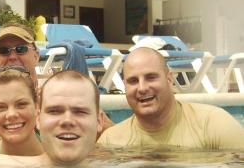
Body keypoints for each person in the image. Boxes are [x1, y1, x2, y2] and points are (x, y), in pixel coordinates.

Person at [0, 22, 113, 136]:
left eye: (21, 49)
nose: (12, 57)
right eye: (4, 51)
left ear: (36, 55)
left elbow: (107, 131)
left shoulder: (58, 90)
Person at [98, 47, 244, 149]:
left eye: (151, 77)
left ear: (169, 79)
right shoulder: (111, 141)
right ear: (125, 86)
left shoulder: (212, 125)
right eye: (133, 81)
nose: (142, 88)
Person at [0, 70, 103, 166]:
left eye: (80, 111)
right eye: (54, 111)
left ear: (99, 120)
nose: (67, 121)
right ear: (38, 118)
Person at [0, 67, 43, 156]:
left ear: (37, 107)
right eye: (0, 108)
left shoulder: (62, 155)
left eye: (21, 105)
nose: (11, 114)